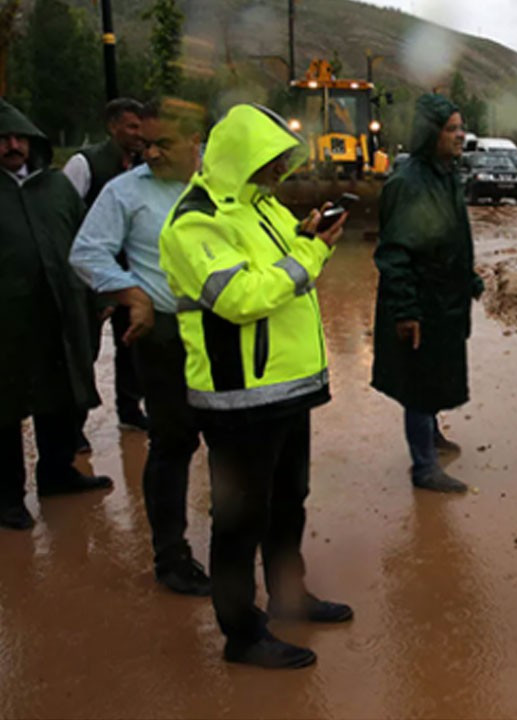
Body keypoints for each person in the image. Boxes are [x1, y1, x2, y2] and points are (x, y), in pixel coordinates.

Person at [159, 104, 352, 669]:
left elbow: (279, 271)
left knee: (289, 503)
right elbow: (241, 298)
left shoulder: (260, 207)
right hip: (239, 400)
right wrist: (311, 252)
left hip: (288, 390)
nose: (279, 170)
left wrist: (304, 237)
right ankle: (242, 633)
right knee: (241, 519)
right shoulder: (195, 220)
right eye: (271, 159)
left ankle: (290, 597)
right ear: (241, 155)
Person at [69, 99, 210, 594]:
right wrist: (131, 292)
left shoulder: (220, 184)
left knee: (236, 442)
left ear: (197, 141)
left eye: (162, 143)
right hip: (166, 336)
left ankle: (241, 542)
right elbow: (87, 251)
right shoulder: (124, 193)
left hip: (225, 332)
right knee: (172, 444)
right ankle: (171, 556)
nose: (148, 152)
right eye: (144, 142)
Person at [0, 99, 112, 530]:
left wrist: (101, 293)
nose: (13, 146)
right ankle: (7, 495)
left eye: (20, 138)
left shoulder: (57, 188)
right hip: (7, 323)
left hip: (61, 312)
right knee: (5, 408)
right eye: (4, 139)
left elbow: (88, 241)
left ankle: (57, 473)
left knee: (61, 394)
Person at [371, 94, 482, 493]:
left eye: (461, 127)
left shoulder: (446, 174)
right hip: (420, 302)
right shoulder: (407, 183)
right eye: (452, 129)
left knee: (435, 371)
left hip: (445, 299)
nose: (460, 135)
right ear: (430, 133)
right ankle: (424, 466)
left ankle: (431, 434)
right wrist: (405, 311)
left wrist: (467, 277)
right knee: (418, 380)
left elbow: (451, 236)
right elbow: (395, 253)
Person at [66, 98, 150, 441]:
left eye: (141, 126)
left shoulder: (145, 165)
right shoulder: (83, 164)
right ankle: (72, 431)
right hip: (91, 278)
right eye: (131, 126)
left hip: (132, 276)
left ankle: (130, 412)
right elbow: (66, 220)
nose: (138, 133)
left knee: (131, 347)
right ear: (111, 126)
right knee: (84, 353)